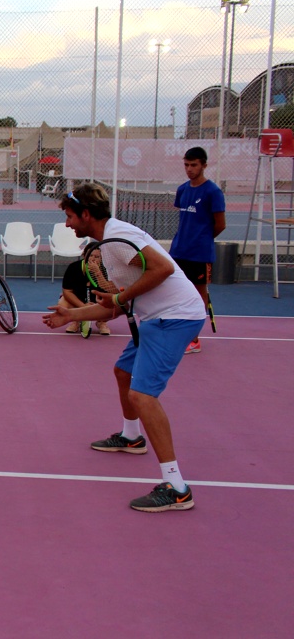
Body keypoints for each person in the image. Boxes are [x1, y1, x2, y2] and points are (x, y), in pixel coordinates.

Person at [42, 184, 205, 512]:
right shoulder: (109, 242)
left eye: (70, 217)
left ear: (87, 214)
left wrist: (119, 298)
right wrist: (70, 315)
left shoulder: (117, 237)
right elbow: (116, 307)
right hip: (158, 317)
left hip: (174, 318)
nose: (68, 224)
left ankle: (176, 487)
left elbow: (164, 269)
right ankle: (132, 437)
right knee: (123, 372)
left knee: (142, 395)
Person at [170, 146, 226, 355]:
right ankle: (180, 333)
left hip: (200, 254)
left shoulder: (213, 192)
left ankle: (194, 339)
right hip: (178, 252)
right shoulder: (183, 189)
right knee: (177, 293)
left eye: (194, 165)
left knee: (197, 295)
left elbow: (220, 225)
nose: (189, 169)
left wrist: (201, 240)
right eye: (186, 165)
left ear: (204, 165)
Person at [58, 253, 110, 336]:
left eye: (97, 257)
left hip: (98, 302)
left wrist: (95, 306)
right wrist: (83, 306)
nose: (93, 259)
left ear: (101, 258)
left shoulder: (107, 269)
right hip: (78, 301)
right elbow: (67, 291)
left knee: (115, 303)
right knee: (62, 303)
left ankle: (101, 322)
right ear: (84, 255)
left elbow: (110, 291)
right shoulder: (73, 267)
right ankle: (76, 321)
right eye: (90, 256)